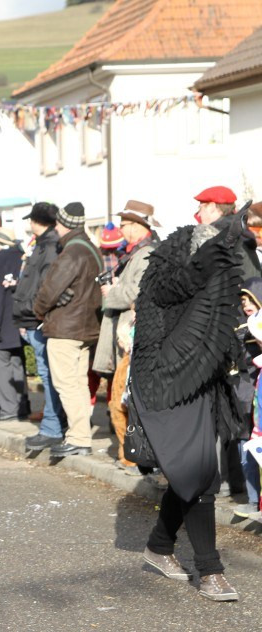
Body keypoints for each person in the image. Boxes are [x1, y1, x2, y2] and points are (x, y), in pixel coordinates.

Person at [134, 208, 251, 602]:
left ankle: (159, 546)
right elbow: (175, 288)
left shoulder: (208, 276)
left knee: (196, 474)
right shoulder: (170, 269)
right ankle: (210, 571)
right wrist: (213, 257)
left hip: (201, 381)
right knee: (198, 474)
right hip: (165, 383)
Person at [94, 201, 160, 474]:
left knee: (125, 399)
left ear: (136, 226)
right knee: (122, 398)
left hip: (131, 336)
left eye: (124, 225)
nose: (121, 230)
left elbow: (136, 292)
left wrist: (112, 294)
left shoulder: (144, 254)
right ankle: (131, 455)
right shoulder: (137, 252)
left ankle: (134, 457)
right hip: (127, 334)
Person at [33, 202, 102, 457]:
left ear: (62, 224)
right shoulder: (91, 249)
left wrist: (39, 311)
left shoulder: (71, 253)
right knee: (79, 383)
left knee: (67, 384)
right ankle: (81, 434)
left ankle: (78, 437)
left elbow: (49, 291)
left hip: (66, 328)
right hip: (86, 326)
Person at [13, 202, 64, 450]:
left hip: (38, 319)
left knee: (49, 374)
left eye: (31, 220)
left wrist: (32, 313)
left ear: (36, 221)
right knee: (48, 374)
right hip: (32, 317)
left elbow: (43, 285)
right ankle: (53, 425)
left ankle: (53, 428)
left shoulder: (49, 246)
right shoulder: (43, 244)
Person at [0, 228, 30, 422]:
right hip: (18, 321)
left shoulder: (0, 259)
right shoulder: (22, 257)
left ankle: (8, 409)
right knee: (17, 363)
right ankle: (22, 406)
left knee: (1, 365)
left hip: (1, 322)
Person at [231, 279, 262, 518]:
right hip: (245, 393)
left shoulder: (254, 327)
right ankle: (252, 499)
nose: (246, 304)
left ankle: (254, 501)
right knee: (246, 446)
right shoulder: (241, 326)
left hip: (255, 391)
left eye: (251, 299)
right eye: (243, 300)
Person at [195, 186, 258, 280]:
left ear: (212, 207)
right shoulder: (239, 230)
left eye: (200, 208)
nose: (199, 214)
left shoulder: (215, 235)